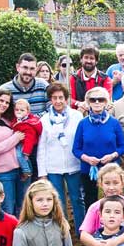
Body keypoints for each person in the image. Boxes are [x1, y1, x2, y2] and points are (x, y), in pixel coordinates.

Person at [71, 87, 124, 215]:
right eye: (93, 99)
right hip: (89, 170)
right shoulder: (83, 123)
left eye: (100, 99)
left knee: (112, 200)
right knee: (91, 201)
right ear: (88, 102)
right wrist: (87, 159)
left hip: (111, 170)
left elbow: (122, 146)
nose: (97, 102)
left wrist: (112, 156)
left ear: (106, 102)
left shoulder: (114, 123)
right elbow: (76, 149)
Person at [37, 83, 85, 229]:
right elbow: (41, 147)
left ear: (66, 99)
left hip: (73, 165)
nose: (58, 101)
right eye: (54, 98)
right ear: (50, 99)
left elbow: (81, 140)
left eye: (61, 98)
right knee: (58, 199)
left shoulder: (77, 116)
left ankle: (81, 229)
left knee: (77, 198)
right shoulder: (44, 120)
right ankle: (63, 228)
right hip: (53, 167)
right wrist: (42, 173)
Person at [77, 163, 124, 246]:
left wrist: (115, 242)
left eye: (115, 183)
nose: (111, 187)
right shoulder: (94, 207)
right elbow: (84, 235)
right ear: (100, 184)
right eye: (107, 183)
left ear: (122, 183)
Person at [0, 52, 49, 116]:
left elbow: (52, 110)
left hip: (40, 124)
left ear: (36, 69)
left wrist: (32, 121)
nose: (28, 72)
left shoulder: (43, 85)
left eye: (32, 68)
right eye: (25, 67)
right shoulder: (5, 89)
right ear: (18, 67)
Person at [69, 45, 111, 113]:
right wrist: (79, 103)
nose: (88, 61)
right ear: (81, 59)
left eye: (92, 58)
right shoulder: (73, 78)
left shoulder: (105, 79)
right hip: (79, 114)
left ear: (96, 61)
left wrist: (89, 105)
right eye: (86, 57)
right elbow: (70, 99)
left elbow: (107, 100)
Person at [11, 98, 42, 183]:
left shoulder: (28, 123)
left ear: (28, 112)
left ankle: (26, 171)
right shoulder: (18, 120)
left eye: (22, 110)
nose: (19, 112)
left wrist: (26, 151)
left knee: (19, 155)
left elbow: (29, 138)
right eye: (16, 110)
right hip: (19, 142)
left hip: (26, 145)